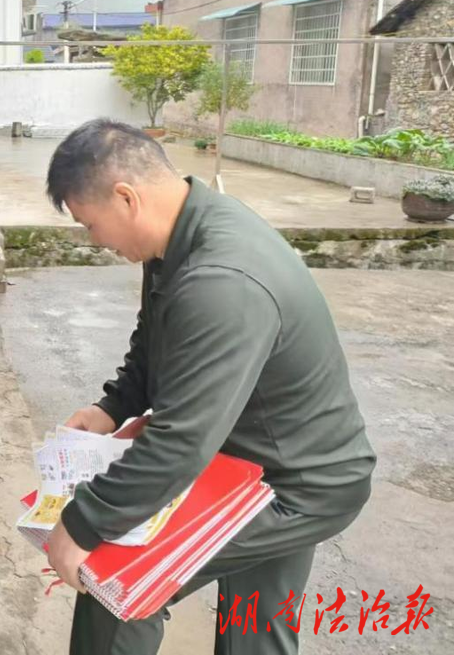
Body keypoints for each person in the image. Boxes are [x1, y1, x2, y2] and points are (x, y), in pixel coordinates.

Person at [43, 120, 376, 655]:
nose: (95, 241)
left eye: (89, 224)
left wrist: (84, 522)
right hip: (259, 458)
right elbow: (155, 342)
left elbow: (180, 441)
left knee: (115, 580)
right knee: (255, 629)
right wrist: (112, 408)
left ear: (126, 198)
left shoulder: (221, 277)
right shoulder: (178, 237)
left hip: (297, 485)